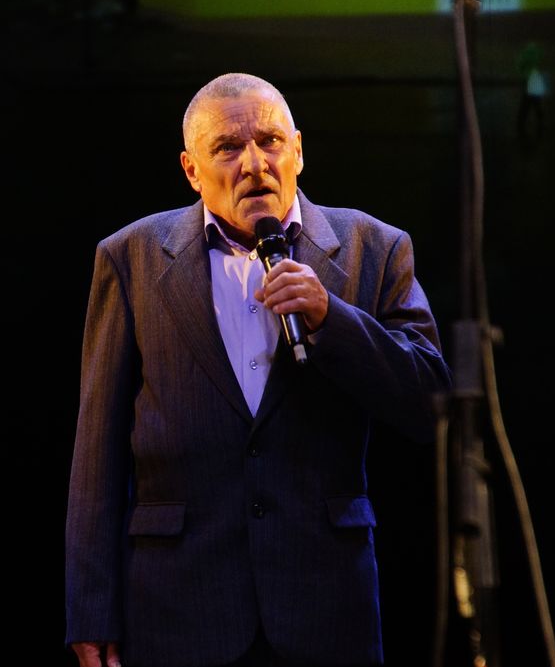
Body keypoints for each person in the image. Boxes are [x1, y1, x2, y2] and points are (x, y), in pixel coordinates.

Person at [64, 72, 451, 667]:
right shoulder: (130, 257)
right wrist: (91, 610)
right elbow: (98, 448)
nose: (254, 164)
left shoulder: (373, 247)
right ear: (192, 170)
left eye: (269, 142)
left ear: (298, 150)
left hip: (326, 607)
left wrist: (331, 318)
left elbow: (431, 405)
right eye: (227, 148)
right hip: (179, 608)